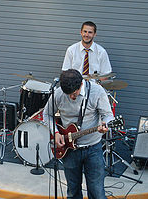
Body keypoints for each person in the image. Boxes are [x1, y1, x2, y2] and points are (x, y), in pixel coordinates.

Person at [43, 69, 114, 199]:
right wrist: (56, 132)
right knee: (73, 191)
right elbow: (47, 114)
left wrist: (105, 125)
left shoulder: (97, 92)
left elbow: (108, 115)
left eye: (74, 94)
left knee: (97, 192)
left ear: (81, 84)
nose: (71, 97)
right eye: (68, 94)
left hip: (93, 148)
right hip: (69, 150)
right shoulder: (58, 94)